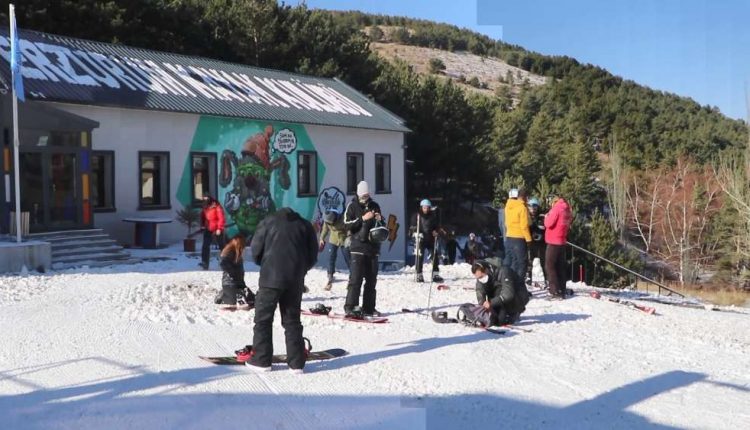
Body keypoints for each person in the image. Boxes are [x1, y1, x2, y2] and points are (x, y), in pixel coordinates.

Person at [245, 207, 318, 373]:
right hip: (294, 280)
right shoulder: (305, 225)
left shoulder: (267, 222)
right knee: (292, 321)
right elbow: (313, 256)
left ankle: (261, 360)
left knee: (263, 320)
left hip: (270, 279)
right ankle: (296, 363)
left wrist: (266, 264)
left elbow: (255, 251)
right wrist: (300, 270)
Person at [343, 181, 383, 317]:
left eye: (367, 195)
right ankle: (351, 306)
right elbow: (347, 225)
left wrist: (379, 219)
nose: (366, 198)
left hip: (373, 248)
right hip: (357, 248)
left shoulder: (374, 205)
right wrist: (362, 218)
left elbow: (381, 225)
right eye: (363, 195)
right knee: (355, 279)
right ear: (359, 194)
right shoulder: (352, 206)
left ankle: (369, 308)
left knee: (372, 280)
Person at [471, 259, 529, 326]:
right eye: (478, 278)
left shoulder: (503, 271)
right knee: (494, 319)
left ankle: (514, 311)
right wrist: (483, 304)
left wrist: (491, 303)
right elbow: (479, 290)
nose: (480, 279)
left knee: (500, 320)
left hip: (517, 297)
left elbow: (508, 294)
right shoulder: (483, 275)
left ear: (486, 270)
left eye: (481, 277)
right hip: (499, 297)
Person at [544, 193, 573, 299]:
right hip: (562, 240)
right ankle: (562, 288)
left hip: (553, 241)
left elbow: (548, 223)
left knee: (550, 266)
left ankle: (554, 291)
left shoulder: (556, 209)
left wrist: (546, 217)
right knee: (560, 266)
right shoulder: (567, 209)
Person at [215, 235, 255, 308]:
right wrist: (232, 273)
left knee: (251, 299)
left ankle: (226, 294)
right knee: (236, 299)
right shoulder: (230, 252)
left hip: (238, 283)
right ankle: (223, 295)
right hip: (230, 282)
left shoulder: (237, 254)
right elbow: (223, 263)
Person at [411, 199, 444, 283]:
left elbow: (437, 226)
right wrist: (416, 232)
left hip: (430, 239)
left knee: (435, 255)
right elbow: (412, 227)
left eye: (427, 207)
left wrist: (436, 231)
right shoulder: (417, 216)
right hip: (421, 239)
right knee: (419, 257)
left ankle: (435, 274)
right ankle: (419, 275)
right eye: (424, 207)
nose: (426, 209)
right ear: (421, 207)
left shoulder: (433, 216)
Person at [503, 188, 531, 282]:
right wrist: (528, 239)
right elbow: (524, 226)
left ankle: (508, 284)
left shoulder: (508, 207)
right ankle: (519, 287)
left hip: (509, 237)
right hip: (519, 238)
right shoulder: (522, 208)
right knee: (521, 264)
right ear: (525, 197)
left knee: (511, 262)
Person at [319, 208, 351, 290]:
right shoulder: (327, 219)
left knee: (348, 258)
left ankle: (352, 277)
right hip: (333, 240)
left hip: (344, 240)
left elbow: (349, 229)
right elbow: (325, 229)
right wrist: (322, 238)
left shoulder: (343, 218)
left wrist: (349, 237)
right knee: (331, 258)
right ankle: (330, 275)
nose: (330, 224)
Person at [200, 195, 226, 270]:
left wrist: (219, 228)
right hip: (208, 229)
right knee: (205, 246)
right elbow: (203, 216)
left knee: (222, 246)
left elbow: (221, 218)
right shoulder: (205, 207)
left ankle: (226, 262)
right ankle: (205, 263)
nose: (204, 201)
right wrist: (202, 226)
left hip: (217, 229)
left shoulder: (216, 206)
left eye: (206, 199)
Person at [527, 197, 546, 280]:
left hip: (541, 243)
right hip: (530, 242)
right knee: (529, 261)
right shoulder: (526, 216)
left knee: (543, 261)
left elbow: (544, 227)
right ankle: (528, 277)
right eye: (530, 206)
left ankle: (547, 278)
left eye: (535, 207)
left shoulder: (541, 216)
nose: (533, 209)